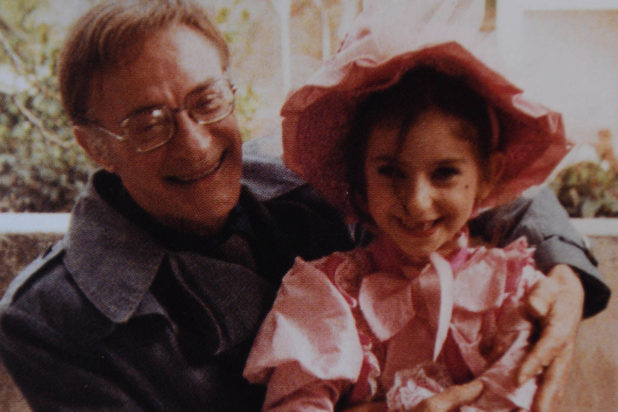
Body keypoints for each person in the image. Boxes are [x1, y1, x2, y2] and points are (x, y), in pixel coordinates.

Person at [0, 1, 609, 411]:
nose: (196, 144)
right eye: (149, 124)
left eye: (207, 101)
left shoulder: (306, 176)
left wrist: (565, 273)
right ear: (96, 146)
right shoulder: (48, 320)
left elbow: (474, 176)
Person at [243, 10, 611, 412]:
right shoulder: (327, 294)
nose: (417, 201)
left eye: (444, 173)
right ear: (360, 179)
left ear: (489, 174)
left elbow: (523, 398)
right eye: (391, 172)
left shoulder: (511, 291)